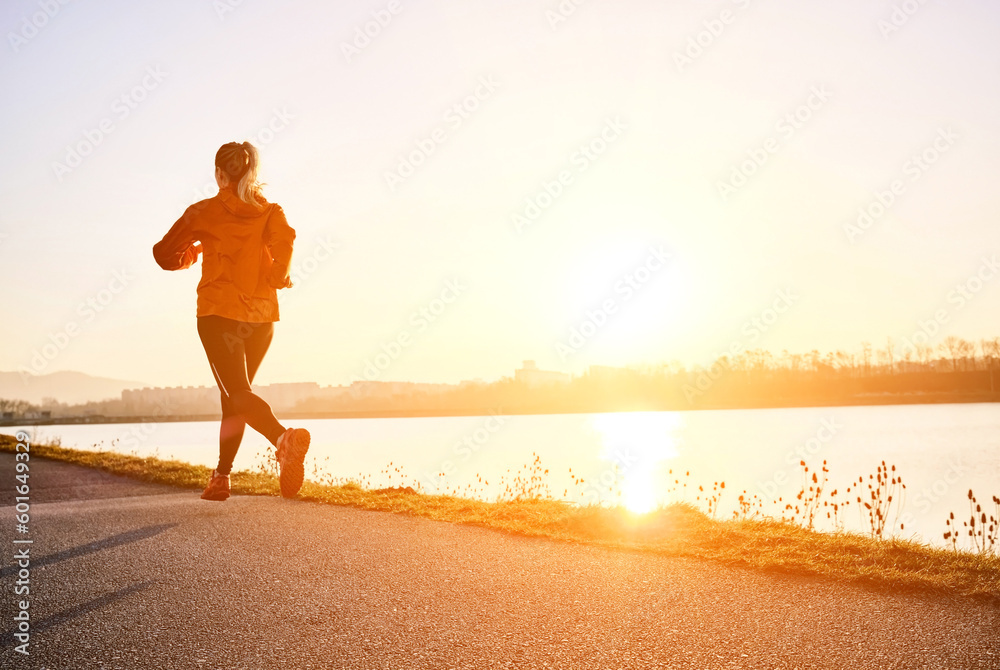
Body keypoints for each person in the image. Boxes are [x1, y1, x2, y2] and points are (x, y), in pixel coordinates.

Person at [153, 141, 310, 501]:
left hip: (218, 314)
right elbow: (285, 242)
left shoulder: (203, 212)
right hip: (260, 318)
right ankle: (221, 478)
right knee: (237, 396)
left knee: (236, 393)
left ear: (219, 175)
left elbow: (164, 254)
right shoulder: (271, 211)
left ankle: (282, 438)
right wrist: (277, 276)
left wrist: (190, 255)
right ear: (252, 174)